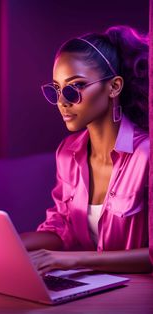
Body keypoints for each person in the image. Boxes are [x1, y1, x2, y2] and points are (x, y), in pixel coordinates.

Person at [20, 25, 152, 274]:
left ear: (114, 87)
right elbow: (62, 228)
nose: (62, 101)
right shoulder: (67, 153)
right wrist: (9, 243)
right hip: (91, 290)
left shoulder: (147, 156)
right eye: (56, 90)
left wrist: (73, 260)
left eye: (74, 87)